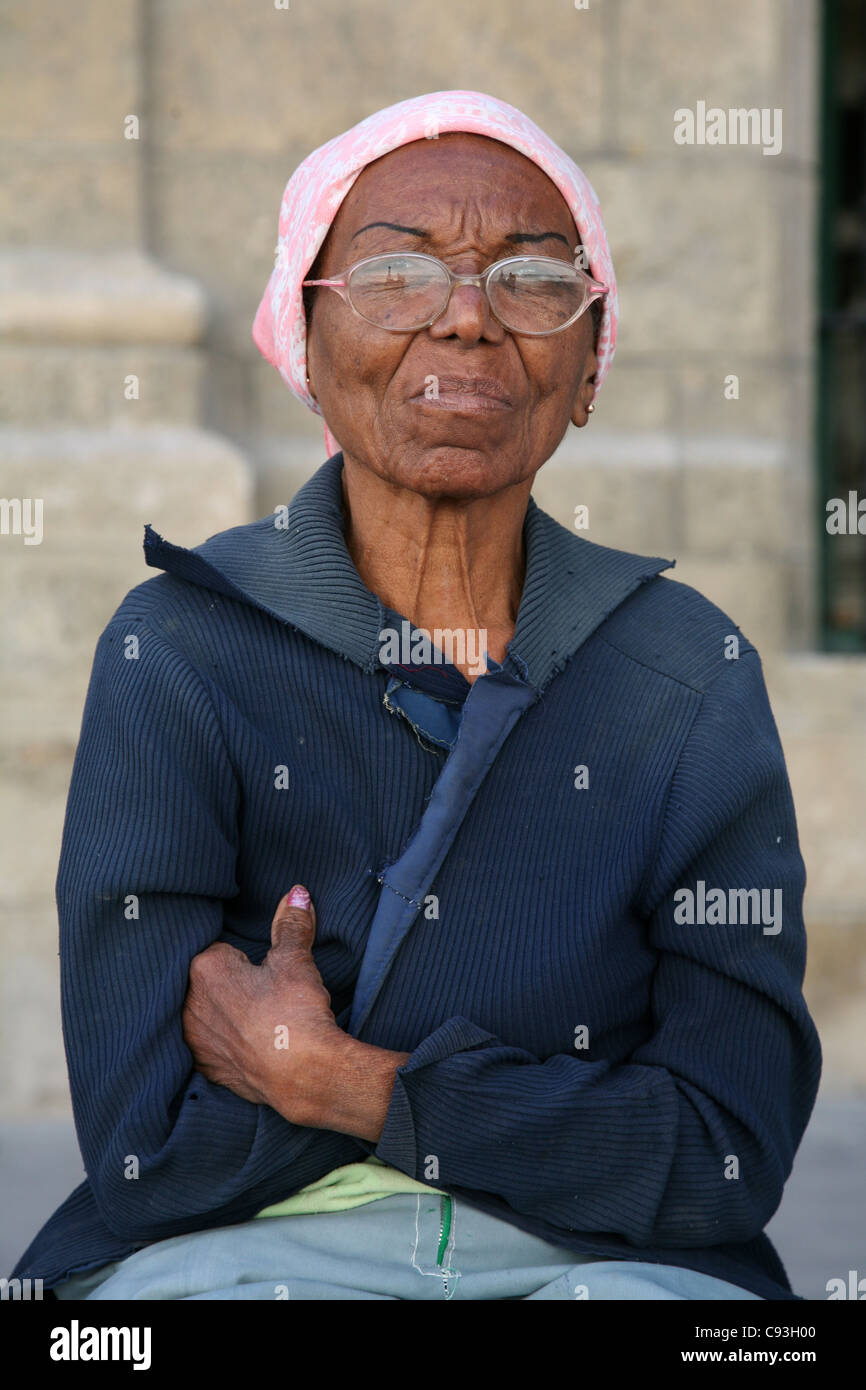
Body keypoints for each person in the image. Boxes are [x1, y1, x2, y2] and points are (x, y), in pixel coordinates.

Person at [13, 90, 821, 1301]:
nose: (465, 319)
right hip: (243, 1256)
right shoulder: (178, 651)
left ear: (589, 362)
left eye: (533, 280)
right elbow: (146, 1153)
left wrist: (332, 1076)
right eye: (394, 271)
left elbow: (721, 1152)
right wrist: (557, 1103)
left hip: (611, 1265)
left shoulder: (681, 677)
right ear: (303, 337)